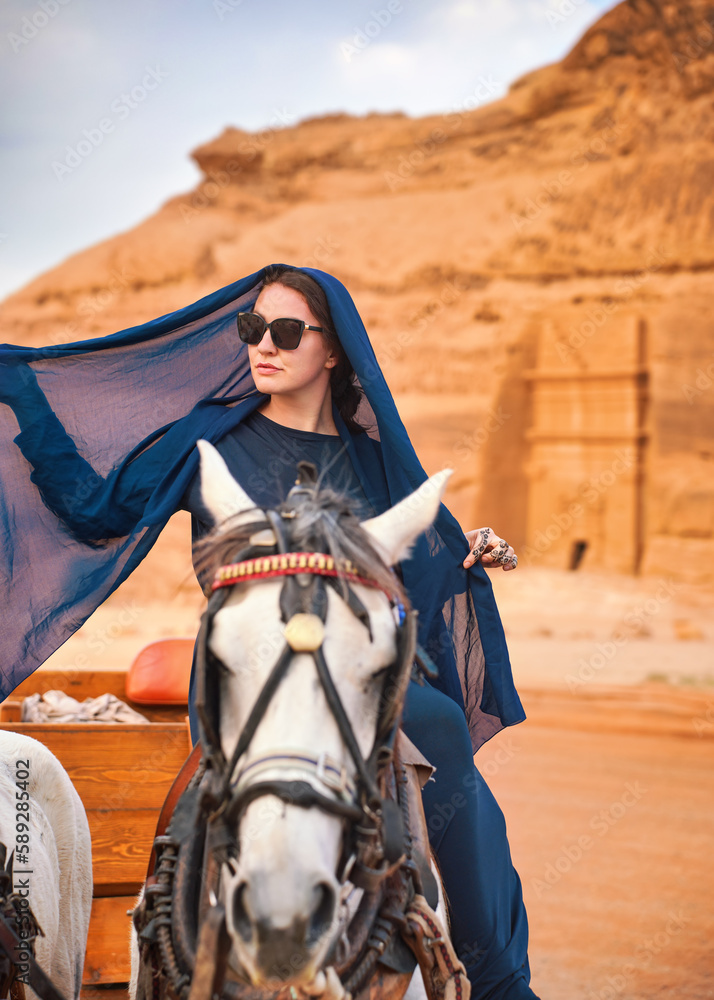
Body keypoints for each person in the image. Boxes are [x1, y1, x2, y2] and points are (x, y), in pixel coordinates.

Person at [0, 264, 538, 999]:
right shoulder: (208, 443)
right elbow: (94, 508)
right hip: (246, 675)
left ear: (333, 349)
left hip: (347, 674)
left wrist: (459, 551)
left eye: (285, 332)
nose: (263, 346)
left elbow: (400, 583)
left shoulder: (370, 454)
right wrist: (19, 387)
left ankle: (501, 979)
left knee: (438, 723)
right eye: (253, 330)